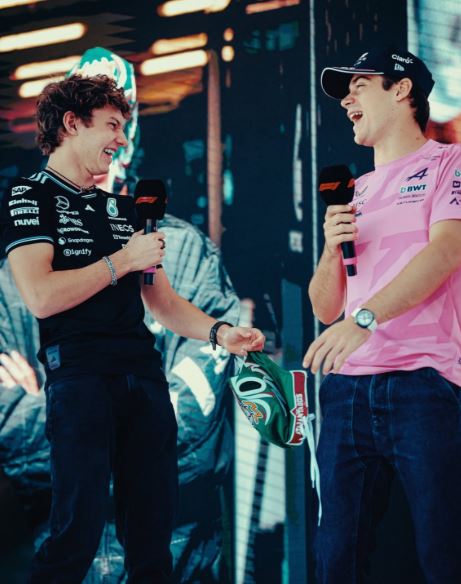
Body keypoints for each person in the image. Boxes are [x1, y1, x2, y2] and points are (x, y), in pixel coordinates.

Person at [0, 73, 264, 583]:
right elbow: (41, 296)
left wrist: (219, 333)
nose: (122, 140)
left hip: (143, 382)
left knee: (151, 543)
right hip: (82, 382)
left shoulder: (124, 211)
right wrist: (122, 260)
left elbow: (162, 302)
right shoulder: (28, 197)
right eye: (113, 126)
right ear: (72, 124)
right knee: (73, 537)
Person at [303, 47, 461, 583]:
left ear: (402, 90)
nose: (346, 100)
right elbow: (326, 308)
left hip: (426, 384)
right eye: (344, 92)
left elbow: (446, 251)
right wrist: (331, 251)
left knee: (443, 554)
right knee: (336, 560)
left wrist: (365, 318)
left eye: (359, 85)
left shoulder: (449, 163)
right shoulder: (355, 190)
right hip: (347, 391)